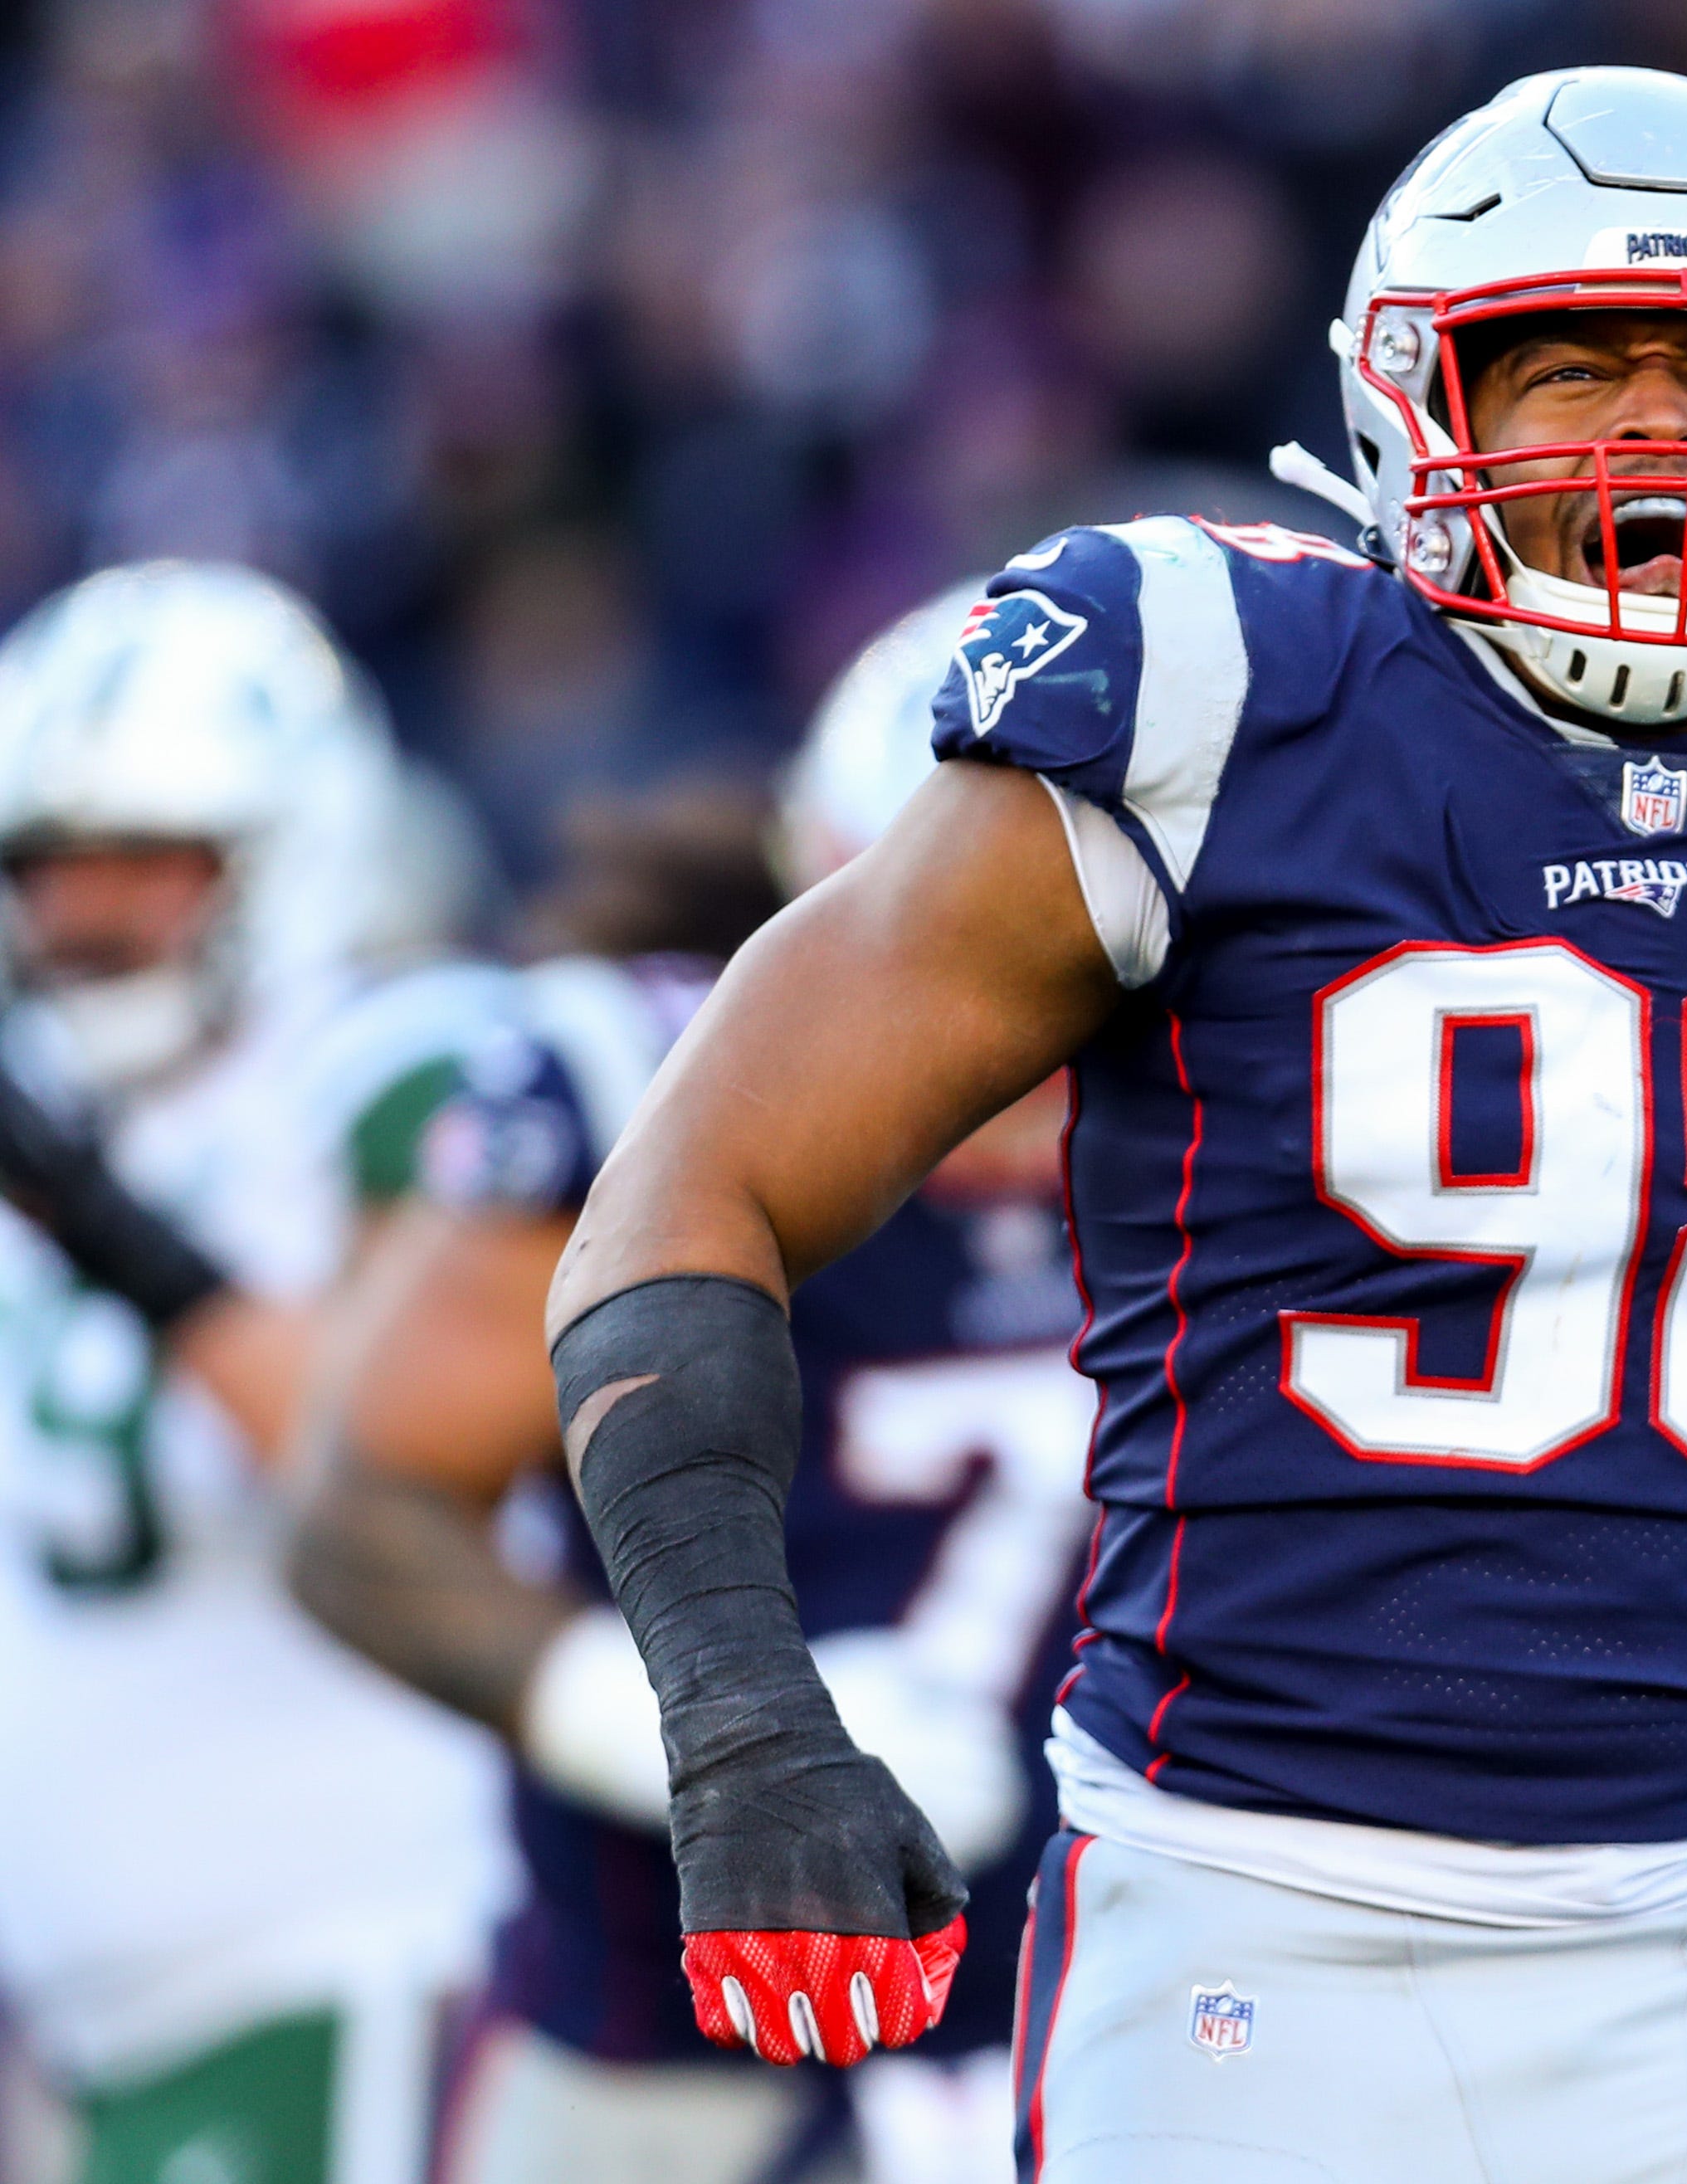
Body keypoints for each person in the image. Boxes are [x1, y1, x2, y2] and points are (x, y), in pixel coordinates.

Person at [542, 66, 1687, 2178]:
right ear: (1420, 410)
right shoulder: (1217, 697)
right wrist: (743, 1725)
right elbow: (689, 1201)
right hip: (1256, 1939)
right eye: (1570, 368)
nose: (1657, 433)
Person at [288, 588, 1094, 2184]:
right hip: (675, 2021)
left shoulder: (1281, 1105)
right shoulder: (625, 1084)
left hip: (1111, 1998)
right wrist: (693, 1727)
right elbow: (361, 1515)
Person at [0, 561, 514, 2184]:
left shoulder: (396, 1072)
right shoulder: (58, 1116)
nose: (80, 916)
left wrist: (98, 1216)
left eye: (144, 861)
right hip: (112, 2015)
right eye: (48, 867)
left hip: (355, 1944)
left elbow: (385, 1452)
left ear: (288, 853)